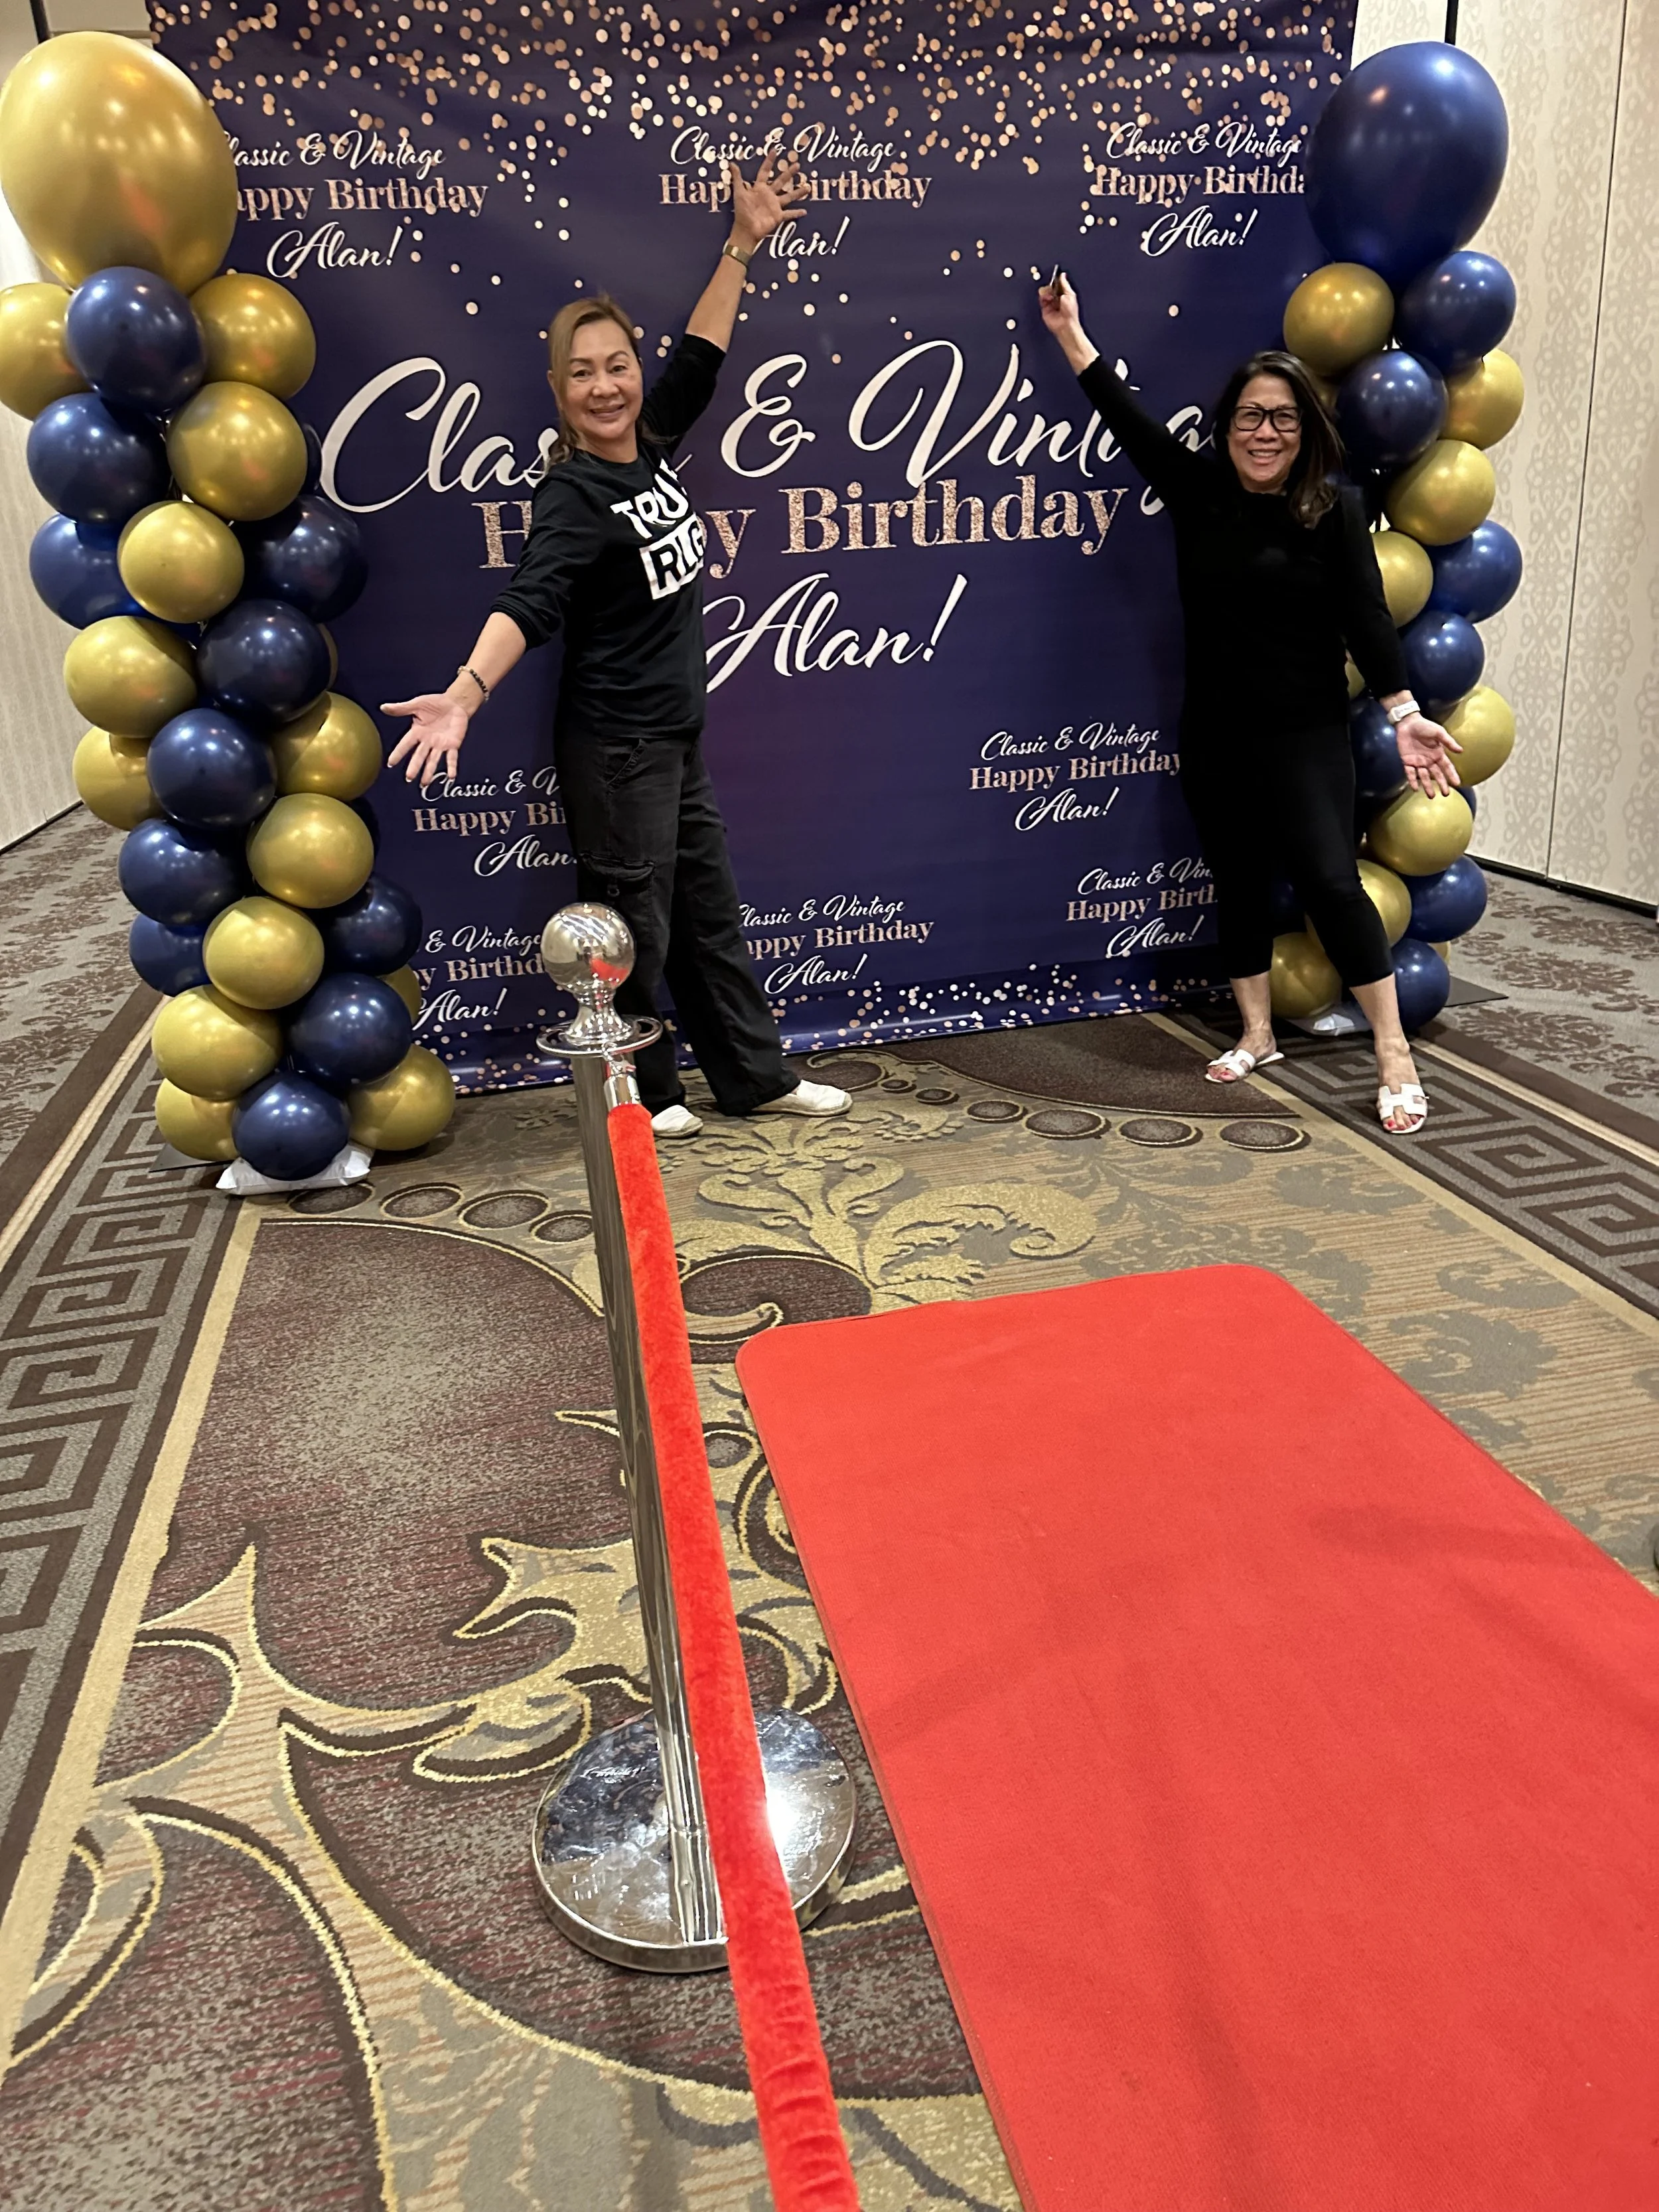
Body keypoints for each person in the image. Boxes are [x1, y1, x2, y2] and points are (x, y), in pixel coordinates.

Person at [384, 155, 850, 1138]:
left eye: (618, 366)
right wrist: (465, 694)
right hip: (616, 750)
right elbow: (529, 601)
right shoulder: (574, 495)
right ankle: (643, 1092)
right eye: (583, 373)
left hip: (672, 742)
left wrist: (742, 244)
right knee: (630, 930)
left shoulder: (651, 446)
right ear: (559, 392)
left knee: (708, 921)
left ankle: (753, 1078)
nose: (606, 387)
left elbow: (702, 357)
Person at [1039, 273, 1463, 1135]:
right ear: (1227, 427)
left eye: (1282, 418)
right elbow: (1126, 420)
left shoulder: (1333, 511)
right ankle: (1258, 1034)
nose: (1264, 432)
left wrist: (1403, 710)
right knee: (1235, 883)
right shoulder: (1199, 493)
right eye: (1249, 417)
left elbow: (1367, 617)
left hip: (1306, 734)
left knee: (1331, 885)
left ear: (1304, 431)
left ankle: (1394, 1055)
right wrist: (1070, 334)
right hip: (1216, 732)